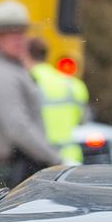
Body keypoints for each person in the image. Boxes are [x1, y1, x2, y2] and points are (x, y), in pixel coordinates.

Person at [0, 0, 62, 189]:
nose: (19, 39)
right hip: (16, 172)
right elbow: (18, 128)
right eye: (11, 34)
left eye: (21, 33)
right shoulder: (2, 74)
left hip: (19, 168)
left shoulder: (12, 69)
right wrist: (55, 159)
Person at [24, 36, 90, 164]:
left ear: (26, 55)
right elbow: (83, 120)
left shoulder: (29, 82)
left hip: (41, 159)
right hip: (71, 157)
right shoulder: (73, 85)